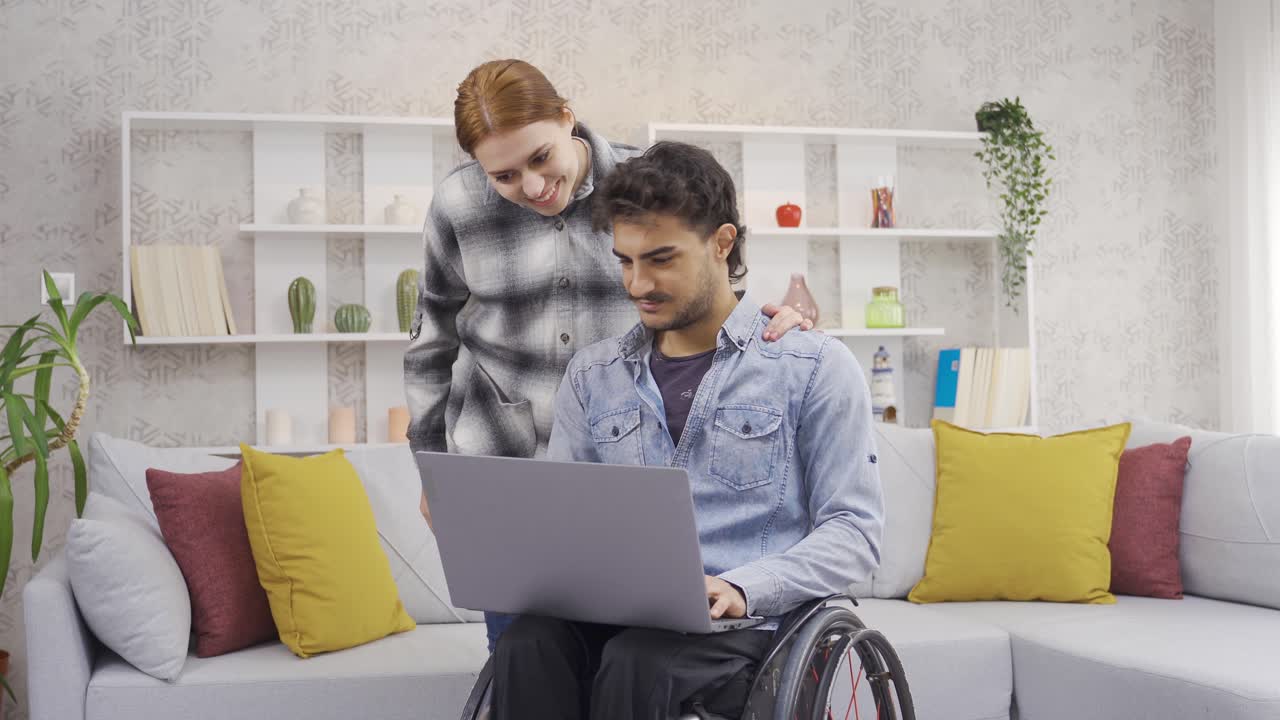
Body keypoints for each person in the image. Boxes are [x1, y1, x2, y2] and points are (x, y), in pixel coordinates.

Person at [402, 59, 813, 652]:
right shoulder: (457, 206)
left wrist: (771, 320)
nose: (532, 187)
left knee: (627, 663)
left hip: (624, 476)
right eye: (505, 176)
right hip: (503, 471)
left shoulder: (641, 185)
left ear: (567, 118)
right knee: (527, 657)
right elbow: (430, 342)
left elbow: (707, 286)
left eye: (540, 158)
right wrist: (432, 467)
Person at [490, 141, 885, 720]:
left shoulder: (814, 367)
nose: (637, 284)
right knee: (527, 643)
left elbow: (854, 532)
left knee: (640, 661)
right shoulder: (593, 376)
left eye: (661, 259)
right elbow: (567, 526)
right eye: (626, 261)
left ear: (722, 243)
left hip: (754, 630)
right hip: (626, 619)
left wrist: (745, 587)